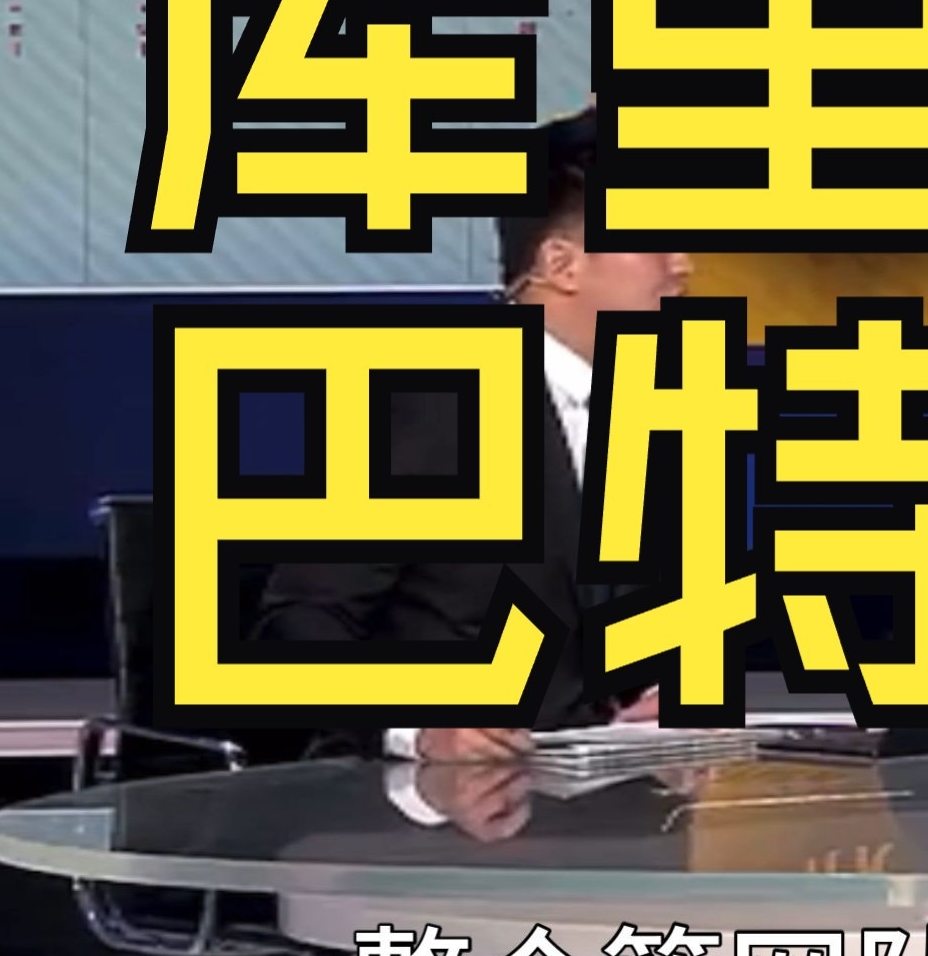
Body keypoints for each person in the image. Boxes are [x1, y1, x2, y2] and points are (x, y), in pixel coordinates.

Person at [252, 110, 682, 792]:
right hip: (422, 811)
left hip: (607, 803)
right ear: (560, 265)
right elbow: (300, 624)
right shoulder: (422, 407)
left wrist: (660, 698)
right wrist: (420, 730)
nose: (683, 265)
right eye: (655, 244)